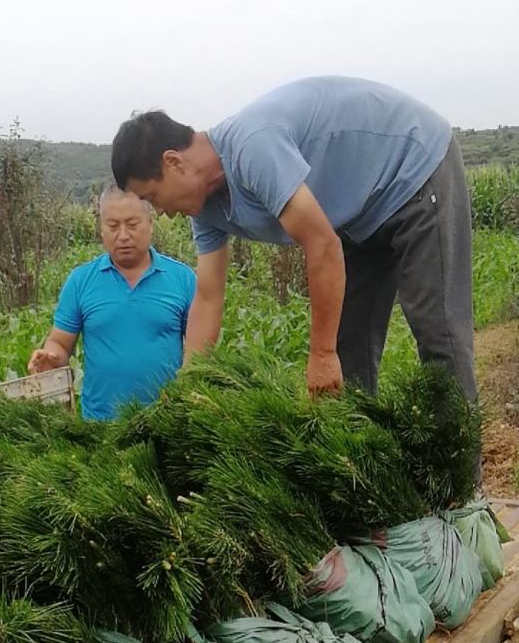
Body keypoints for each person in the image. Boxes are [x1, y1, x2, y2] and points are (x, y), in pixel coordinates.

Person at [111, 77, 477, 402]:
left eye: (153, 197)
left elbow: (322, 245)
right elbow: (208, 296)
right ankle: (356, 472)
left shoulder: (252, 148)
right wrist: (188, 385)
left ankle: (462, 477)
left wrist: (320, 354)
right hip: (359, 214)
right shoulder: (205, 209)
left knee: (439, 335)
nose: (160, 211)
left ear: (174, 162)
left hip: (413, 164)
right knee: (348, 355)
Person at [28, 186, 196, 419]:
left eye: (133, 224)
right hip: (100, 426)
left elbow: (200, 348)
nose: (123, 235)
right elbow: (60, 342)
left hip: (167, 422)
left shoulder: (183, 278)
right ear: (102, 230)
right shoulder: (80, 281)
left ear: (150, 224)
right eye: (113, 226)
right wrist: (52, 358)